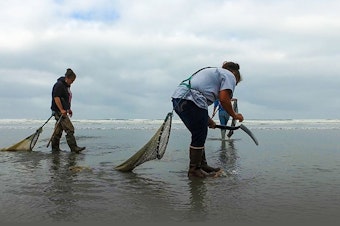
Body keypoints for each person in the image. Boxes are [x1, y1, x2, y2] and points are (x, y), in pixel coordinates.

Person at [171, 61, 244, 178]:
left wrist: (208, 120)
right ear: (235, 76)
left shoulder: (215, 72)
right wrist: (235, 115)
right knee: (199, 133)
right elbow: (224, 99)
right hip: (191, 98)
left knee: (198, 132)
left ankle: (202, 165)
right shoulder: (230, 75)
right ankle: (194, 170)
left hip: (179, 99)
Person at [50, 68, 86, 153]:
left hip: (63, 111)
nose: (72, 82)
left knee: (58, 131)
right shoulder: (59, 85)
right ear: (67, 78)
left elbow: (65, 99)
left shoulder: (66, 86)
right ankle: (74, 148)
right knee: (70, 129)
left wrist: (68, 109)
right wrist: (61, 109)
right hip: (59, 111)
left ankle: (55, 150)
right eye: (72, 80)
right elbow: (56, 98)